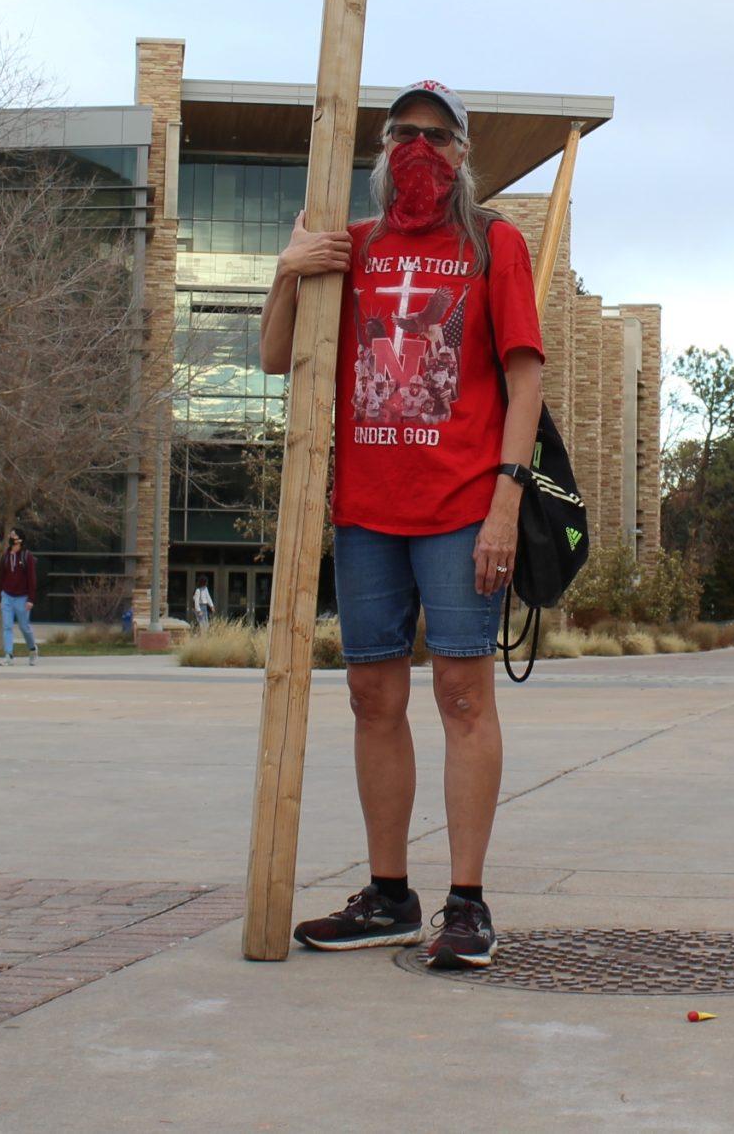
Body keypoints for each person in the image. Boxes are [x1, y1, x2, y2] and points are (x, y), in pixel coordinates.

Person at [262, 83, 543, 972]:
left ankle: (466, 902)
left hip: (462, 509)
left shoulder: (493, 244)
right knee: (372, 698)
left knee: (463, 696)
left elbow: (524, 378)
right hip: (368, 512)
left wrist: (506, 500)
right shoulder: (355, 247)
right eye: (402, 134)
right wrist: (288, 267)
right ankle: (390, 894)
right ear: (383, 152)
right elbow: (278, 357)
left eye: (437, 135)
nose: (418, 149)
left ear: (462, 155)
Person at [0, 531, 38, 666]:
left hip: (22, 597)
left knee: (24, 626)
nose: (13, 543)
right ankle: (9, 655)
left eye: (15, 539)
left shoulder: (27, 556)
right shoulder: (6, 556)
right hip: (7, 596)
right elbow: (1, 578)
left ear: (21, 541)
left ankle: (32, 649)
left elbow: (32, 579)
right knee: (7, 626)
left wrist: (31, 599)